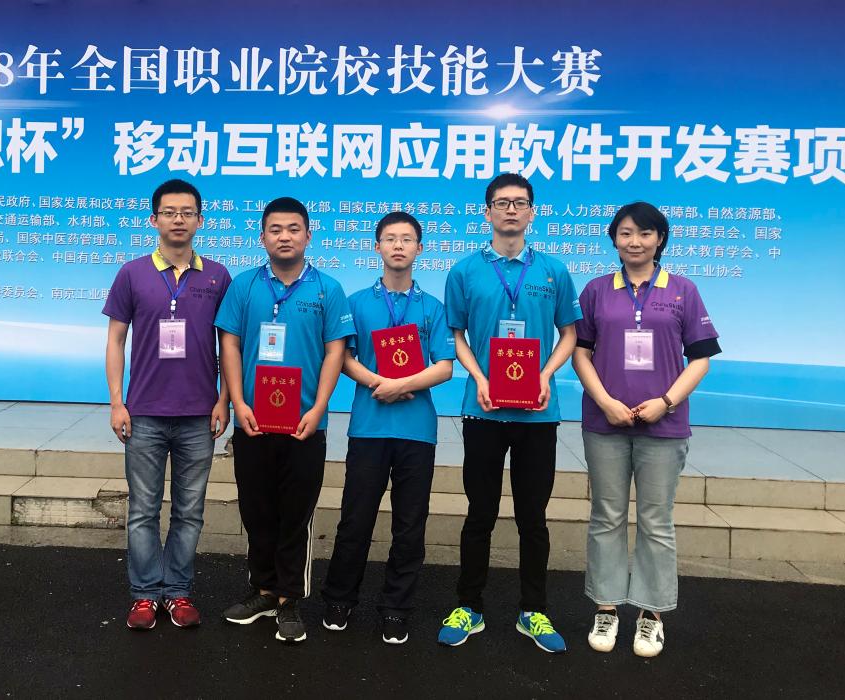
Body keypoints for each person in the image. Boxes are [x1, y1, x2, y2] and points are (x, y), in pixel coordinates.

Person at [438, 173, 580, 652]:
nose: (511, 210)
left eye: (520, 203)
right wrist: (479, 378)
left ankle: (533, 610)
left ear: (532, 212)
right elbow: (456, 336)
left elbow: (569, 334)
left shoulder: (553, 271)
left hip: (538, 413)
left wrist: (545, 375)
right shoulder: (464, 271)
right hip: (483, 410)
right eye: (502, 203)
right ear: (488, 212)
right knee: (479, 513)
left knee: (532, 517)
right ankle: (469, 606)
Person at [572, 202, 721, 658]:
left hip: (665, 424)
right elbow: (580, 352)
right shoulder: (597, 290)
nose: (634, 241)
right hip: (606, 423)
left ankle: (651, 614)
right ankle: (606, 607)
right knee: (607, 517)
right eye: (625, 233)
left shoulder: (682, 290)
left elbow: (700, 359)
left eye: (644, 233)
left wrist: (666, 401)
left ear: (660, 239)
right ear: (613, 239)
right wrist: (605, 401)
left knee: (656, 521)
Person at [215, 197, 354, 644]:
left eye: (293, 228)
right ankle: (263, 592)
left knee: (296, 514)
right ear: (262, 237)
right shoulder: (244, 286)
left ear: (308, 235)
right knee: (256, 510)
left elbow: (335, 351)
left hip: (304, 424)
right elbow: (229, 344)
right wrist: (239, 403)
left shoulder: (327, 289)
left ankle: (290, 598)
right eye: (275, 229)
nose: (284, 236)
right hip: (253, 421)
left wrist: (318, 408)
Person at [321, 212, 455, 645]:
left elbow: (445, 367)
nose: (399, 245)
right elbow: (343, 357)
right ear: (377, 247)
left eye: (407, 239)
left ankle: (396, 608)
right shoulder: (357, 302)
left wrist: (403, 385)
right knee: (355, 519)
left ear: (420, 249)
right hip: (369, 426)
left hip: (417, 431)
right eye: (390, 239)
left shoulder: (432, 307)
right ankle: (339, 599)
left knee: (410, 525)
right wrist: (381, 384)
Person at [103, 178, 231, 630]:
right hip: (144, 413)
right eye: (170, 212)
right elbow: (115, 340)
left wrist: (224, 399)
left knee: (189, 512)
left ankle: (177, 591)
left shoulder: (217, 276)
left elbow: (228, 344)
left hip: (199, 415)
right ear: (154, 219)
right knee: (142, 510)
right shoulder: (132, 273)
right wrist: (117, 402)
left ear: (200, 220)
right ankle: (144, 596)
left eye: (187, 212)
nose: (179, 219)